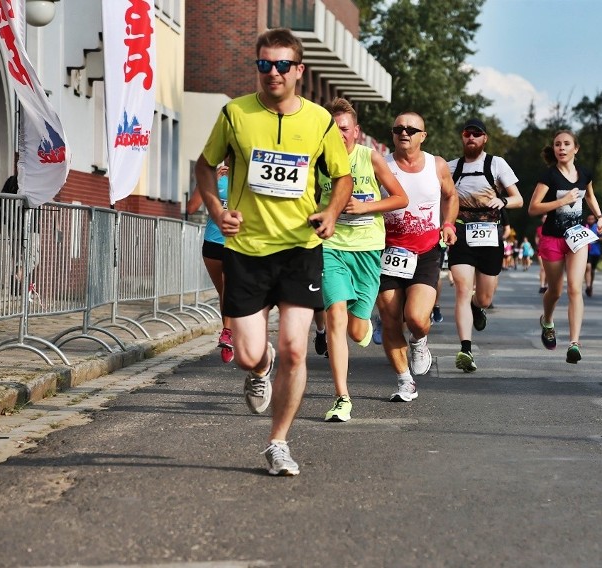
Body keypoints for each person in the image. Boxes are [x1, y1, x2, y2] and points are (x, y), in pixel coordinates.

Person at [194, 28, 353, 476]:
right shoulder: (236, 114)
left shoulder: (320, 120)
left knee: (295, 348)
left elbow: (341, 178)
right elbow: (205, 166)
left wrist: (332, 213)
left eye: (283, 64)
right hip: (246, 249)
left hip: (300, 248)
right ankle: (259, 368)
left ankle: (278, 442)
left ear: (299, 70)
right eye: (265, 64)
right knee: (248, 354)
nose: (273, 73)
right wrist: (216, 207)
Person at [316, 97, 408, 422]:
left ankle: (366, 322)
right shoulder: (319, 161)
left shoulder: (371, 158)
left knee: (356, 332)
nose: (338, 134)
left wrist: (365, 207)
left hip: (367, 249)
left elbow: (401, 198)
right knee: (334, 319)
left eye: (344, 129)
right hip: (332, 247)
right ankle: (342, 397)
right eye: (333, 129)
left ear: (356, 131)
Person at [377, 111, 458, 401]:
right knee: (389, 320)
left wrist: (447, 223)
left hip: (425, 252)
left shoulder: (436, 165)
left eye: (412, 129)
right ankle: (404, 381)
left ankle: (420, 340)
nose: (405, 133)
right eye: (398, 128)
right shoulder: (381, 165)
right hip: (386, 252)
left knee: (416, 317)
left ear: (423, 136)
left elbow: (451, 196)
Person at [446, 118, 522, 373]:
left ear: (484, 139)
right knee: (462, 289)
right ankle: (465, 349)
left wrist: (502, 201)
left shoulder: (496, 164)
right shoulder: (451, 168)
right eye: (468, 134)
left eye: (477, 135)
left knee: (485, 297)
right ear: (462, 137)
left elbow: (518, 199)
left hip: (490, 233)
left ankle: (478, 308)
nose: (471, 138)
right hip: (461, 232)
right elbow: (438, 197)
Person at [527, 130, 602, 364]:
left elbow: (589, 196)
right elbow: (533, 208)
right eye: (557, 144)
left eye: (566, 144)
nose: (561, 148)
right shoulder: (548, 176)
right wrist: (561, 201)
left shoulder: (584, 173)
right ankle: (547, 321)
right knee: (555, 291)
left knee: (574, 288)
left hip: (577, 237)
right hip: (552, 238)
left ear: (575, 149)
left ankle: (574, 343)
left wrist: (600, 216)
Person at [187, 161, 234, 363]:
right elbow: (192, 207)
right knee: (224, 292)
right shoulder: (216, 176)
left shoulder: (250, 176)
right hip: (213, 243)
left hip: (238, 244)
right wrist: (210, 182)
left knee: (231, 289)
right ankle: (229, 333)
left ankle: (228, 333)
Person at [584, 213, 602, 297]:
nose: (590, 221)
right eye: (589, 219)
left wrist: (595, 238)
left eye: (592, 219)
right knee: (588, 267)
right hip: (587, 251)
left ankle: (590, 285)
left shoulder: (597, 227)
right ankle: (588, 286)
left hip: (596, 252)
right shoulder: (584, 227)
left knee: (592, 270)